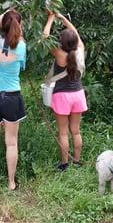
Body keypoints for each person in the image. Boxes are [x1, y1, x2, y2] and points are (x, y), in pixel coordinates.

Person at [0, 9, 27, 190]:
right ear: (18, 26)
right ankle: (11, 182)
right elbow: (22, 66)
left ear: (2, 24)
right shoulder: (21, 46)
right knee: (11, 142)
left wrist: (6, 12)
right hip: (12, 97)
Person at [42, 12, 87, 171]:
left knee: (63, 132)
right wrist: (64, 18)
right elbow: (75, 33)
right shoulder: (80, 50)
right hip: (78, 95)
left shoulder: (59, 54)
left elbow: (44, 37)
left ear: (61, 42)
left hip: (62, 96)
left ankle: (64, 163)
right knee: (75, 131)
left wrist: (51, 18)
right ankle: (77, 161)